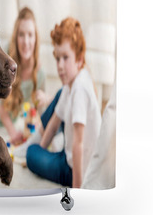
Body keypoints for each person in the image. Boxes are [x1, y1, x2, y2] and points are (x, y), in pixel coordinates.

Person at [24, 17, 102, 188]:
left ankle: (34, 149)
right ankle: (39, 149)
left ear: (80, 59)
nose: (60, 65)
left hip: (74, 169)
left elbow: (78, 144)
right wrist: (42, 152)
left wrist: (77, 190)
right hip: (66, 157)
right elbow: (53, 124)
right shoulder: (71, 84)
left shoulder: (80, 88)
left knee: (31, 153)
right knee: (36, 151)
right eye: (57, 58)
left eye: (65, 58)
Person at [0, 7, 50, 145]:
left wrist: (45, 100)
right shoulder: (6, 57)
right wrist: (13, 133)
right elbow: (1, 107)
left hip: (10, 120)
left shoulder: (40, 73)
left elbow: (41, 111)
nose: (26, 42)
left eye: (30, 35)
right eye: (21, 34)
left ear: (36, 38)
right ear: (16, 37)